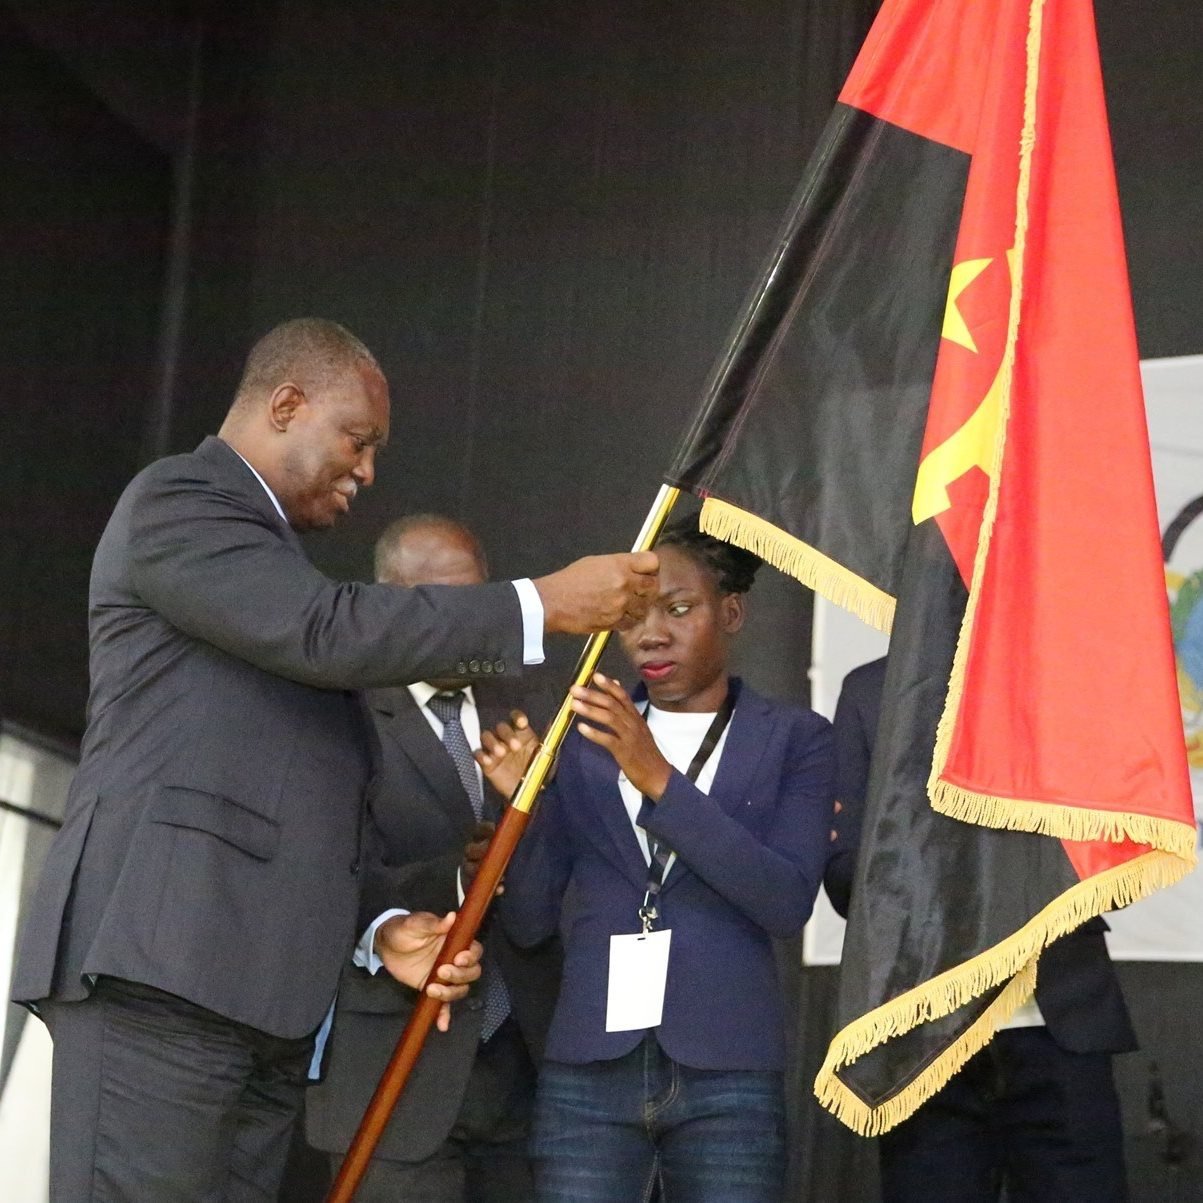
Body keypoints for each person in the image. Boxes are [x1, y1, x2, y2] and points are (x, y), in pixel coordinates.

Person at [11, 318, 659, 1202]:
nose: (367, 472)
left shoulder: (280, 587)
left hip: (265, 1009)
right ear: (286, 404)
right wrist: (539, 604)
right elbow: (326, 632)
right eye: (358, 441)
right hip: (160, 973)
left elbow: (309, 814)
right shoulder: (182, 502)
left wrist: (380, 930)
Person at [476, 517, 836, 1203]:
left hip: (727, 1067)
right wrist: (525, 810)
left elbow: (784, 899)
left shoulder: (796, 738)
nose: (651, 634)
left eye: (678, 608)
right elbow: (526, 920)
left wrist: (658, 778)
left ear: (729, 611)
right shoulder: (578, 742)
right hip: (588, 1067)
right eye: (635, 615)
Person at [307, 514, 560, 1201]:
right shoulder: (338, 711)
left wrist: (535, 814)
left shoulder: (535, 709)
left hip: (529, 1083)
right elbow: (324, 870)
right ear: (389, 600)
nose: (473, 621)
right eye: (448, 602)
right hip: (394, 1072)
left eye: (480, 598)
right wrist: (456, 876)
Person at [825, 656, 1136, 1203]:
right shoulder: (873, 689)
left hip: (1058, 1019)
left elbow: (1121, 843)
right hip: (926, 1033)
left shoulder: (1071, 676)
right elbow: (844, 877)